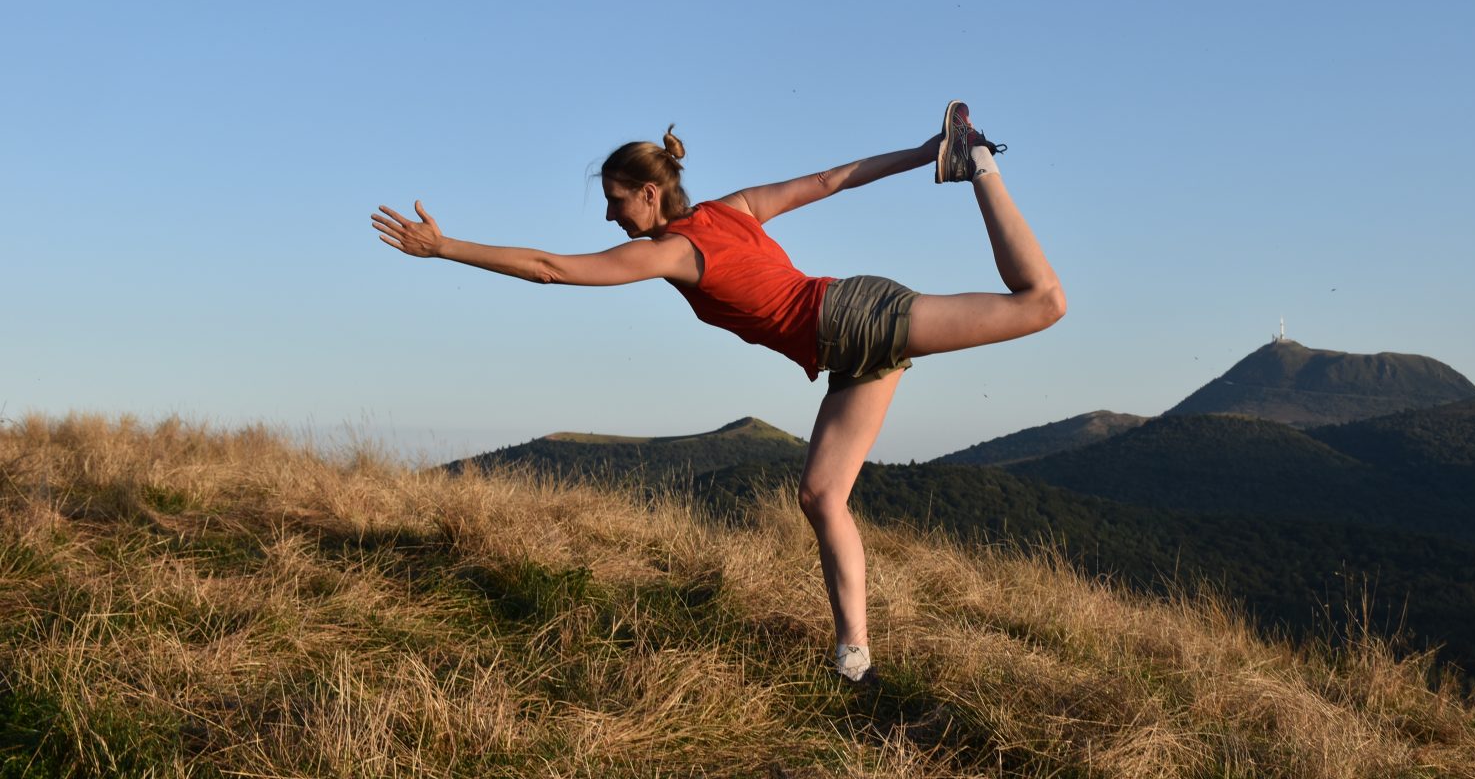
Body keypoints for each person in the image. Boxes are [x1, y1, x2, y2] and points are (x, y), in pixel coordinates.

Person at [371, 102, 1066, 684]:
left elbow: (553, 269)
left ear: (649, 193)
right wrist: (920, 153)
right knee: (821, 496)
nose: (611, 219)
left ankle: (980, 165)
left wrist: (447, 248)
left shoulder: (674, 248)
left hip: (851, 319)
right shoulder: (731, 211)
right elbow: (829, 181)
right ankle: (854, 662)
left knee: (1042, 304)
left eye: (616, 202)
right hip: (848, 341)